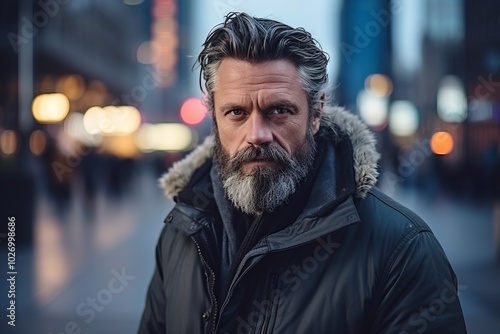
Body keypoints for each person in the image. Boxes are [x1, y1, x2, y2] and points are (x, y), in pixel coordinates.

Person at [138, 12, 467, 334]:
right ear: (214, 117)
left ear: (316, 112)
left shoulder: (400, 248)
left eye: (279, 111)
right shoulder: (181, 234)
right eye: (236, 112)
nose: (257, 134)